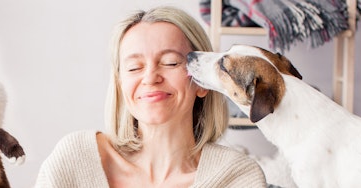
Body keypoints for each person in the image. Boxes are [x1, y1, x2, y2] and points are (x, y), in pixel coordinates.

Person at [35, 6, 267, 188]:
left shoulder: (237, 177)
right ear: (120, 84)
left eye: (170, 63)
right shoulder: (76, 159)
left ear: (201, 81)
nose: (150, 77)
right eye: (134, 67)